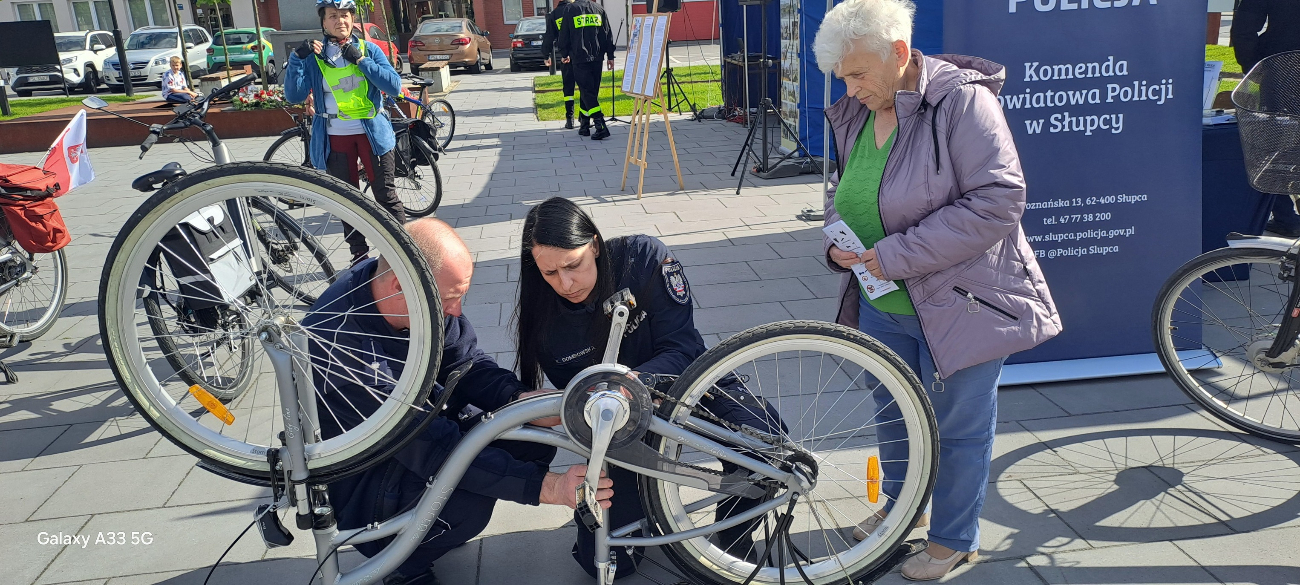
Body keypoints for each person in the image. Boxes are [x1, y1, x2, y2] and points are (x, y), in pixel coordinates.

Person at [812, 0, 1061, 580]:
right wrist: (834, 243)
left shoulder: (962, 102)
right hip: (881, 300)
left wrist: (893, 255)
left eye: (858, 73)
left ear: (899, 53)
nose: (850, 90)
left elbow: (998, 199)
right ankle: (903, 514)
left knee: (959, 426)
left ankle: (954, 539)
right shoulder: (856, 112)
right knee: (893, 413)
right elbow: (841, 191)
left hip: (961, 301)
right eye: (842, 77)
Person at [304, 218, 614, 585]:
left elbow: (465, 362)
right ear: (397, 287)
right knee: (468, 502)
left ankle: (428, 532)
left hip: (423, 435)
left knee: (528, 436)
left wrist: (519, 399)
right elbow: (433, 448)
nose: (457, 309)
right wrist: (548, 488)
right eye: (451, 298)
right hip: (370, 489)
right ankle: (402, 563)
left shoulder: (414, 290)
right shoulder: (344, 349)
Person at [514, 197, 785, 579]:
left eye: (573, 265)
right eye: (550, 273)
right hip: (620, 422)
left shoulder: (642, 258)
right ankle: (639, 501)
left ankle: (733, 537)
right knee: (607, 564)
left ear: (594, 244)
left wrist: (633, 382)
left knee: (766, 445)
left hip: (688, 380)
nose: (566, 283)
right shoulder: (545, 322)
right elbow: (579, 406)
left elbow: (684, 346)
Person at [284, 0, 406, 264]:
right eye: (332, 16)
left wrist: (360, 60)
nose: (340, 20)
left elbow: (394, 86)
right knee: (347, 200)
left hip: (372, 135)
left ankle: (404, 251)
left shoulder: (370, 49)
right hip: (335, 137)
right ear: (323, 22)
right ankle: (359, 255)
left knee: (385, 195)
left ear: (352, 20)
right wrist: (296, 59)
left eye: (345, 15)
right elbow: (294, 94)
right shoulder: (315, 57)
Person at [1231, 0, 1300, 237]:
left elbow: (1244, 29)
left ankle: (1286, 216)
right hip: (1282, 63)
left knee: (1280, 142)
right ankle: (1285, 216)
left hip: (1283, 65)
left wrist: (1254, 68)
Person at [556, 0, 615, 140]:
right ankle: (584, 125)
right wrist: (610, 56)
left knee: (587, 91)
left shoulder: (570, 9)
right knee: (590, 91)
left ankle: (600, 125)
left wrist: (564, 54)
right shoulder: (598, 9)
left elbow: (564, 34)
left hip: (579, 57)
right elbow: (607, 34)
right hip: (597, 58)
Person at [542, 0, 578, 129]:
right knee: (584, 88)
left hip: (565, 57)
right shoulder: (577, 10)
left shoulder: (555, 14)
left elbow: (549, 36)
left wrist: (546, 55)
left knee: (568, 89)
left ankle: (570, 119)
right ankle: (584, 120)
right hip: (580, 56)